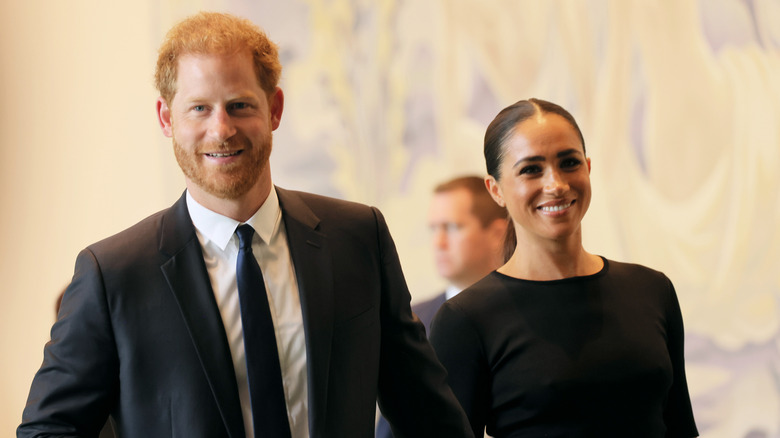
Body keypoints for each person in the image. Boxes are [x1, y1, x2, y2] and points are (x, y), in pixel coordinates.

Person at [18, 12, 473, 438]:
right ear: (166, 118)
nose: (222, 129)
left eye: (239, 105)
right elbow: (48, 431)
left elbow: (429, 416)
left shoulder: (357, 238)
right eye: (199, 108)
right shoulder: (112, 274)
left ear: (274, 109)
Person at [429, 98, 699, 437]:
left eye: (569, 163)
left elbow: (680, 428)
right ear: (495, 190)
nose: (555, 184)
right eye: (531, 169)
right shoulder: (466, 319)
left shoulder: (652, 289)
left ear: (587, 167)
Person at [375, 176, 508, 438]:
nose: (438, 243)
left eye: (452, 227)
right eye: (434, 229)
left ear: (497, 234)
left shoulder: (523, 317)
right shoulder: (410, 318)